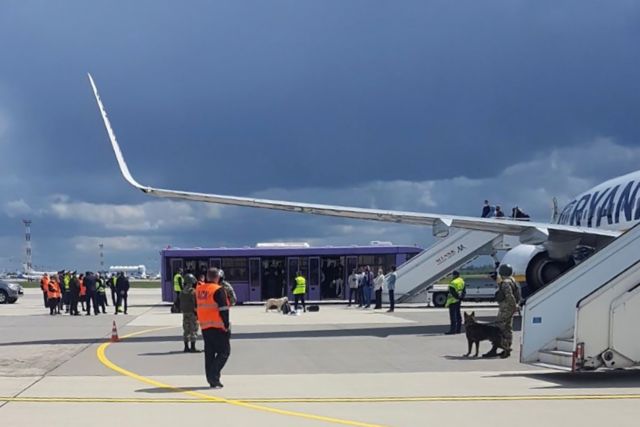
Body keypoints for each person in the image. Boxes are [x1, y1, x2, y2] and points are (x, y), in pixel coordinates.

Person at [197, 268, 230, 389]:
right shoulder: (218, 289)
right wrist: (226, 325)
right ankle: (213, 376)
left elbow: (197, 307)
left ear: (207, 277)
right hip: (218, 326)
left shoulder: (199, 289)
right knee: (224, 352)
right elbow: (223, 309)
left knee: (209, 353)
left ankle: (211, 380)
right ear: (217, 277)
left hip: (205, 326)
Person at [484, 264, 521, 358]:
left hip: (505, 309)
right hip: (510, 309)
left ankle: (495, 349)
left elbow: (509, 295)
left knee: (498, 329)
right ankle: (507, 348)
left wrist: (514, 306)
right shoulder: (513, 280)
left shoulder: (505, 283)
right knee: (508, 329)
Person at [180, 273, 199, 353]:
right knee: (193, 329)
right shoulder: (193, 292)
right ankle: (193, 347)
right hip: (192, 313)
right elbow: (196, 303)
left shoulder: (182, 292)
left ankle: (186, 347)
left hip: (185, 313)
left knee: (186, 329)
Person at [445, 270, 465, 335]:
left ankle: (452, 330)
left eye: (453, 275)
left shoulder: (453, 282)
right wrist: (460, 298)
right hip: (458, 301)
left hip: (452, 301)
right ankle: (458, 330)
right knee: (458, 315)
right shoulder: (462, 281)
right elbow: (464, 291)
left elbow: (452, 292)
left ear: (455, 275)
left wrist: (457, 297)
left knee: (453, 316)